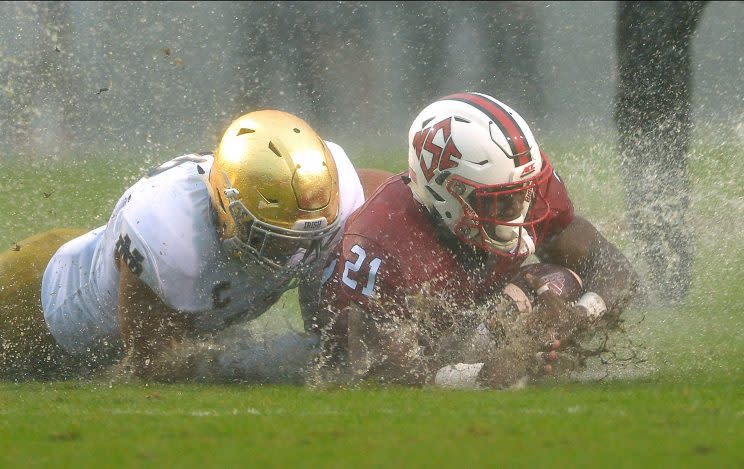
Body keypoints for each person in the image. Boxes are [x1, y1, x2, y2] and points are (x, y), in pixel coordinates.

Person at [0, 109, 392, 381]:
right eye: (270, 237)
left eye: (310, 236)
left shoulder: (325, 187)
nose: (293, 252)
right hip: (34, 301)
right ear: (227, 210)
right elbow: (154, 364)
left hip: (86, 262)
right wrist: (288, 356)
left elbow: (398, 200)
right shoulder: (166, 237)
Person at [313, 92, 639, 389]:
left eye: (524, 192)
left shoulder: (524, 191)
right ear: (445, 194)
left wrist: (580, 315)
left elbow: (611, 267)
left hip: (470, 312)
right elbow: (378, 366)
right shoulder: (384, 239)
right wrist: (480, 376)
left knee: (556, 284)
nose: (522, 209)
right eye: (501, 200)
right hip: (373, 339)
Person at [615, 1, 707, 304]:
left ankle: (674, 281)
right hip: (635, 90)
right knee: (638, 186)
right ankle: (657, 277)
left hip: (668, 90)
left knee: (668, 181)